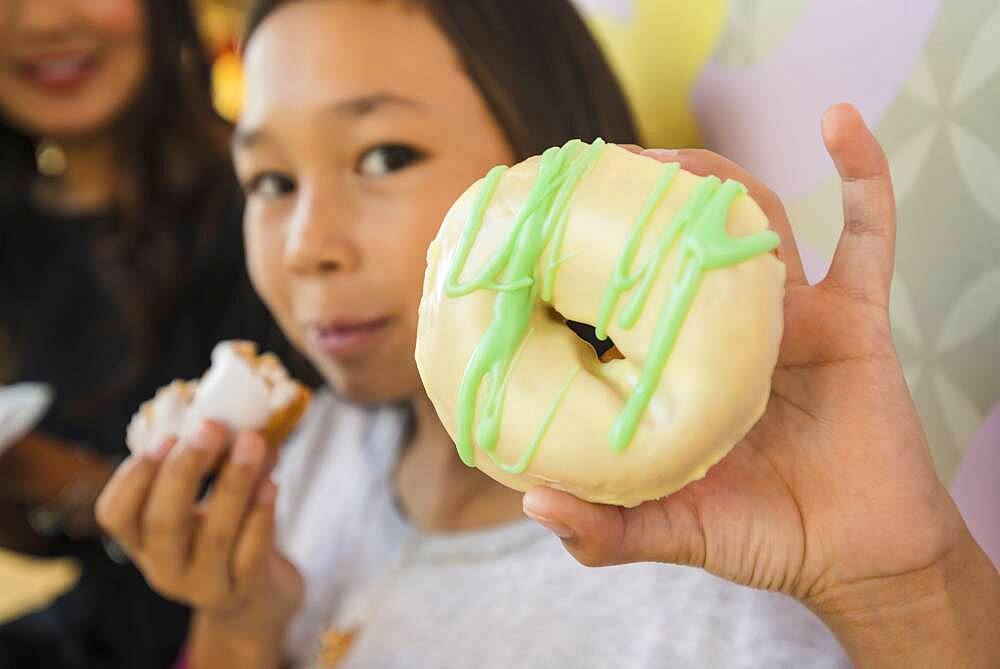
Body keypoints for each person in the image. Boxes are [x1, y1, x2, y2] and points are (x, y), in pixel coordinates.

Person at [95, 1, 1000, 667]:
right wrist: (239, 623)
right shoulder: (307, 456)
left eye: (384, 156)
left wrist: (902, 592)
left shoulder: (734, 575)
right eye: (268, 181)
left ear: (548, 161)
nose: (306, 247)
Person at [0, 1, 304, 667]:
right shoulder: (16, 234)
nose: (45, 20)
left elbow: (310, 502)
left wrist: (47, 471)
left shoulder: (270, 205)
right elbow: (51, 545)